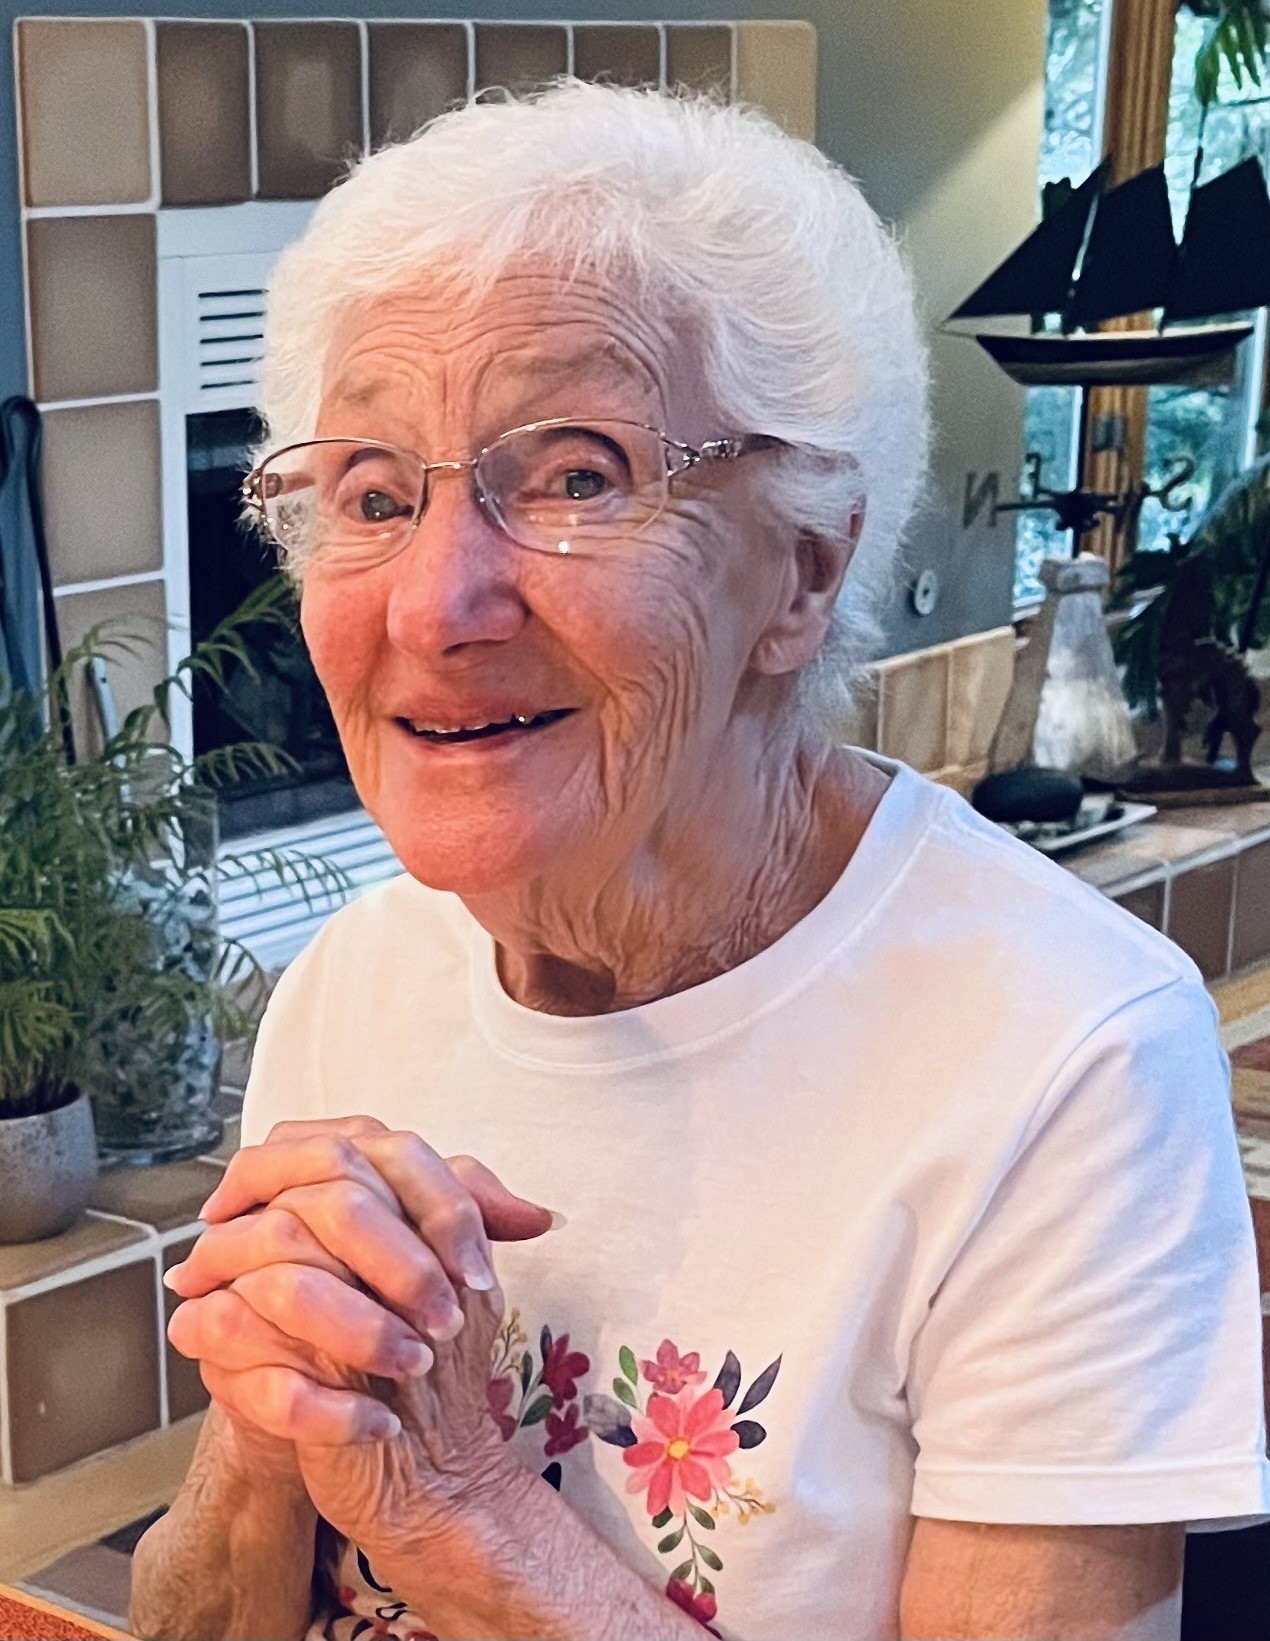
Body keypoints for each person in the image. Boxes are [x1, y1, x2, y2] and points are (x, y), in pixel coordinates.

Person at [131, 81, 1268, 1641]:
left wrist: (460, 1509)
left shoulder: (1066, 1061)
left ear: (800, 570)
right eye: (374, 496)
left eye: (575, 475)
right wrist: (275, 1425)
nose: (434, 603)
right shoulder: (357, 981)